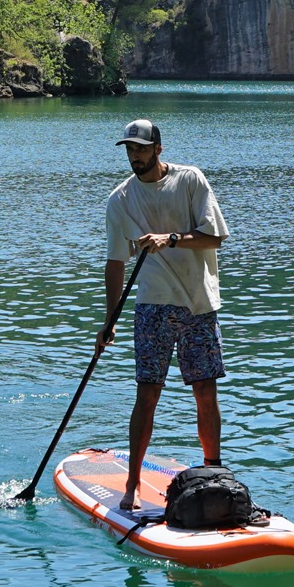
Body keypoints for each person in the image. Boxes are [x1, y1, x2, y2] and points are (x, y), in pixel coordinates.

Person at [94, 118, 229, 512]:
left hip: (198, 305)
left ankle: (214, 472)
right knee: (147, 394)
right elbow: (116, 262)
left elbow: (216, 236)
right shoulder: (120, 200)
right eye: (129, 149)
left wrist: (170, 238)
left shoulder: (190, 181)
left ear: (158, 148)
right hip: (152, 306)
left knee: (205, 391)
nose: (134, 155)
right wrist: (110, 318)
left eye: (141, 148)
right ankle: (133, 484)